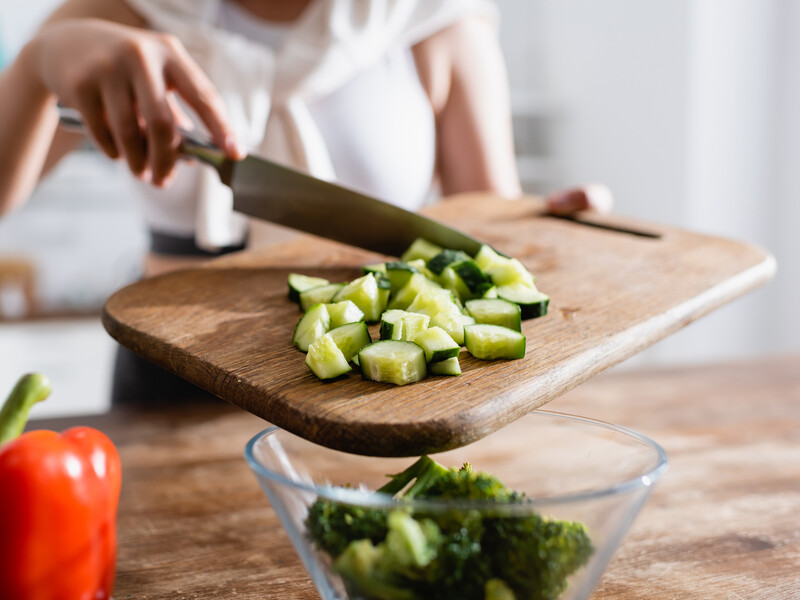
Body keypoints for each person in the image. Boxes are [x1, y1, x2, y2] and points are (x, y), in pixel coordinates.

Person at [0, 0, 609, 401]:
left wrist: (549, 228)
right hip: (172, 390)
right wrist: (37, 65)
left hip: (376, 391)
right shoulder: (119, 11)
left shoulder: (435, 20)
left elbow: (486, 240)